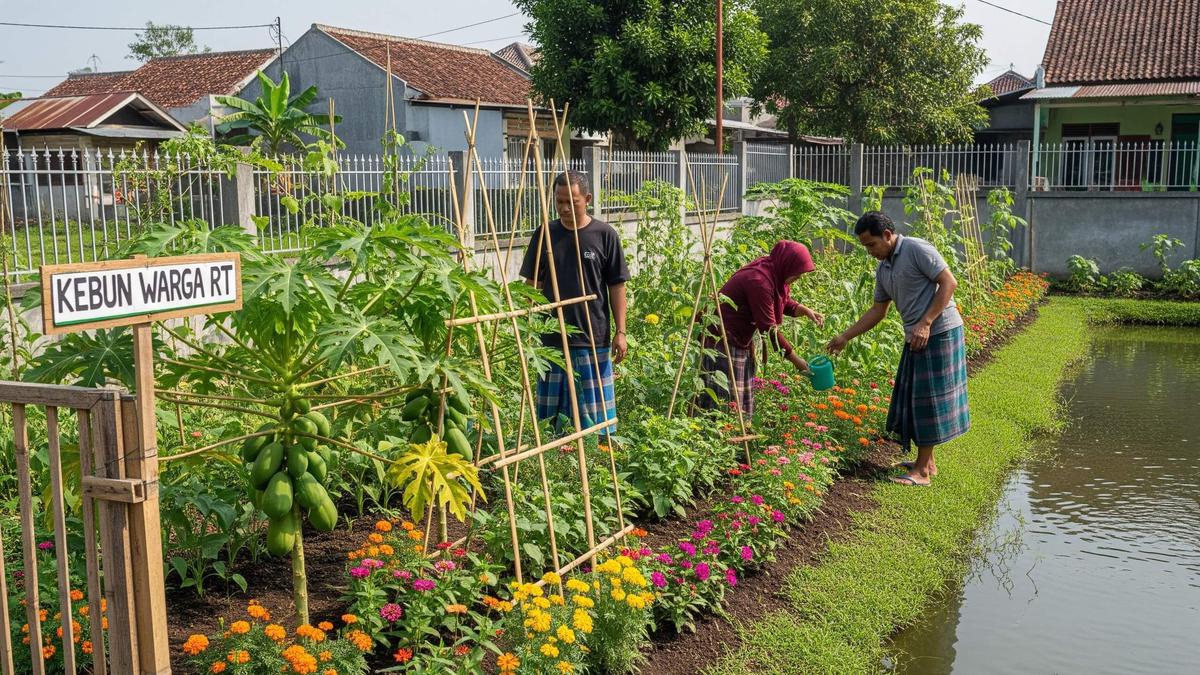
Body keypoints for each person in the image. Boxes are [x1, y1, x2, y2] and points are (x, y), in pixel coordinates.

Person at [827, 212, 969, 486]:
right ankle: (926, 462)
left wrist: (926, 322)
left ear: (888, 235)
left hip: (939, 331)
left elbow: (949, 282)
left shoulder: (916, 248)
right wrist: (846, 336)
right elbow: (878, 311)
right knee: (914, 398)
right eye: (865, 246)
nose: (869, 252)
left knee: (927, 399)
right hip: (916, 335)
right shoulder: (884, 268)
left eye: (871, 245)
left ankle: (923, 474)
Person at [519, 170, 629, 431]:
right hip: (551, 338)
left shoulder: (604, 235)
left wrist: (621, 331)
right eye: (559, 201)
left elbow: (617, 286)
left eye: (572, 201)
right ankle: (556, 459)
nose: (564, 208)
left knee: (597, 418)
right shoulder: (546, 233)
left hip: (592, 336)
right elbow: (533, 285)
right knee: (551, 420)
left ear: (587, 199)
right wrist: (527, 323)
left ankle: (600, 458)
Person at [697, 240, 823, 419]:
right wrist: (797, 361)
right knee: (723, 397)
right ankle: (717, 438)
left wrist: (804, 310)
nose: (798, 278)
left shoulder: (772, 270)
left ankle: (736, 434)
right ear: (786, 265)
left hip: (738, 337)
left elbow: (780, 299)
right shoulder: (759, 280)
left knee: (737, 397)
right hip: (722, 339)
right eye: (797, 274)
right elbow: (769, 330)